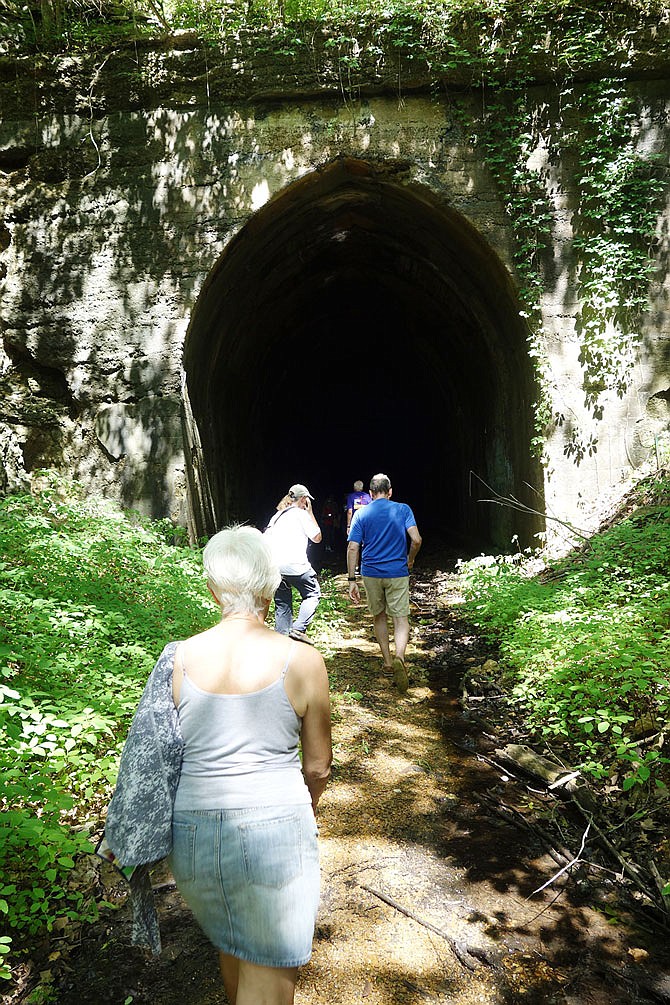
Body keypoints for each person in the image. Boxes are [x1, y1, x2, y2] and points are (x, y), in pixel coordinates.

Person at [106, 525, 332, 1005]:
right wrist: (307, 807)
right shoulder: (304, 661)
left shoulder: (178, 659)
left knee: (236, 951)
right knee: (268, 984)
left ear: (212, 589)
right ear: (272, 586)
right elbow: (317, 767)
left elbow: (152, 756)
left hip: (195, 842)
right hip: (274, 832)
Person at [346, 473, 422, 693]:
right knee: (400, 617)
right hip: (397, 572)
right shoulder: (403, 509)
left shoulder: (361, 513)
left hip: (371, 573)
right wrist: (410, 559)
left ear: (370, 494)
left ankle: (388, 662)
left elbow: (353, 547)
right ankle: (400, 656)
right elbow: (416, 539)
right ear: (390, 492)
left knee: (379, 615)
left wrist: (352, 579)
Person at [265, 484, 322, 645]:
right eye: (307, 501)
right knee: (313, 594)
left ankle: (282, 643)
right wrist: (310, 513)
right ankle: (297, 629)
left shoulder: (276, 516)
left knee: (282, 604)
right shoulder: (301, 515)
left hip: (276, 567)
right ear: (304, 499)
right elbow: (317, 537)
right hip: (297, 566)